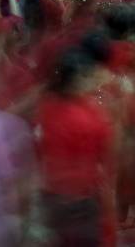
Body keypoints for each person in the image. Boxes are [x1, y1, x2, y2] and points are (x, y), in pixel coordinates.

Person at [35, 48, 114, 247]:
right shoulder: (90, 114)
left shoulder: (46, 105)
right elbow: (105, 156)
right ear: (75, 80)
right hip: (81, 197)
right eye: (87, 76)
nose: (93, 80)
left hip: (52, 192)